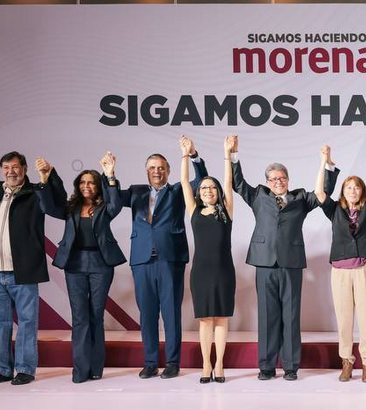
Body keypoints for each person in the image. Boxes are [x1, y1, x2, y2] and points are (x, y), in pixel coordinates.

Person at [232, 140, 339, 382]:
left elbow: (324, 193)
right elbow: (238, 184)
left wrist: (327, 162)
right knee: (267, 317)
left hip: (291, 263)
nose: (278, 182)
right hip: (264, 263)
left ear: (288, 179)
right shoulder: (258, 196)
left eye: (281, 178)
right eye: (273, 179)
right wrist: (233, 154)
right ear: (267, 181)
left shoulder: (301, 197)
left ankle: (291, 366)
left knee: (290, 316)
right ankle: (267, 367)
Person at [120, 141, 207, 379]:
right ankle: (150, 362)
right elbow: (112, 199)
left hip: (170, 259)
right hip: (142, 260)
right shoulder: (136, 192)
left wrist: (194, 156)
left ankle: (172, 362)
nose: (156, 171)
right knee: (147, 314)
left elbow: (201, 182)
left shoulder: (177, 191)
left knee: (171, 313)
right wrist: (109, 176)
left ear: (168, 170)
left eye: (161, 167)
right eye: (152, 168)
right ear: (146, 171)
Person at [37, 152, 126, 383]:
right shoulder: (70, 208)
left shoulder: (106, 207)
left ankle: (96, 369)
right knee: (79, 317)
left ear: (98, 186)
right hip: (74, 265)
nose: (87, 186)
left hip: (101, 265)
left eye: (92, 182)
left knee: (95, 315)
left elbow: (117, 204)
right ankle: (80, 369)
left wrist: (110, 175)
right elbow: (46, 205)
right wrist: (46, 179)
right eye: (83, 182)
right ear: (78, 185)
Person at [315, 144, 366, 383]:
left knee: (365, 318)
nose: (353, 190)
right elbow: (319, 193)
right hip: (341, 271)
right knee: (344, 318)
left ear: (361, 191)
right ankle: (346, 361)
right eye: (348, 187)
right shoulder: (335, 210)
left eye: (356, 187)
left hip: (364, 268)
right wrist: (324, 161)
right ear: (343, 191)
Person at [0, 152, 66, 385]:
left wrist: (50, 177)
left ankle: (25, 369)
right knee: (1, 323)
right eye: (6, 167)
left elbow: (58, 208)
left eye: (15, 167)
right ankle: (3, 369)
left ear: (25, 169)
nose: (11, 171)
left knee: (27, 322)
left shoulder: (36, 192)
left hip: (24, 269)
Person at [180, 135, 235, 384]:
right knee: (205, 321)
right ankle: (206, 365)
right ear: (198, 193)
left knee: (221, 319)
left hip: (224, 271)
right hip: (201, 272)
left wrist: (226, 154)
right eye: (204, 188)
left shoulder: (227, 210)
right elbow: (183, 181)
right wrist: (185, 154)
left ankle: (220, 365)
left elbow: (228, 181)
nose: (209, 190)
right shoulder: (193, 210)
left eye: (212, 188)